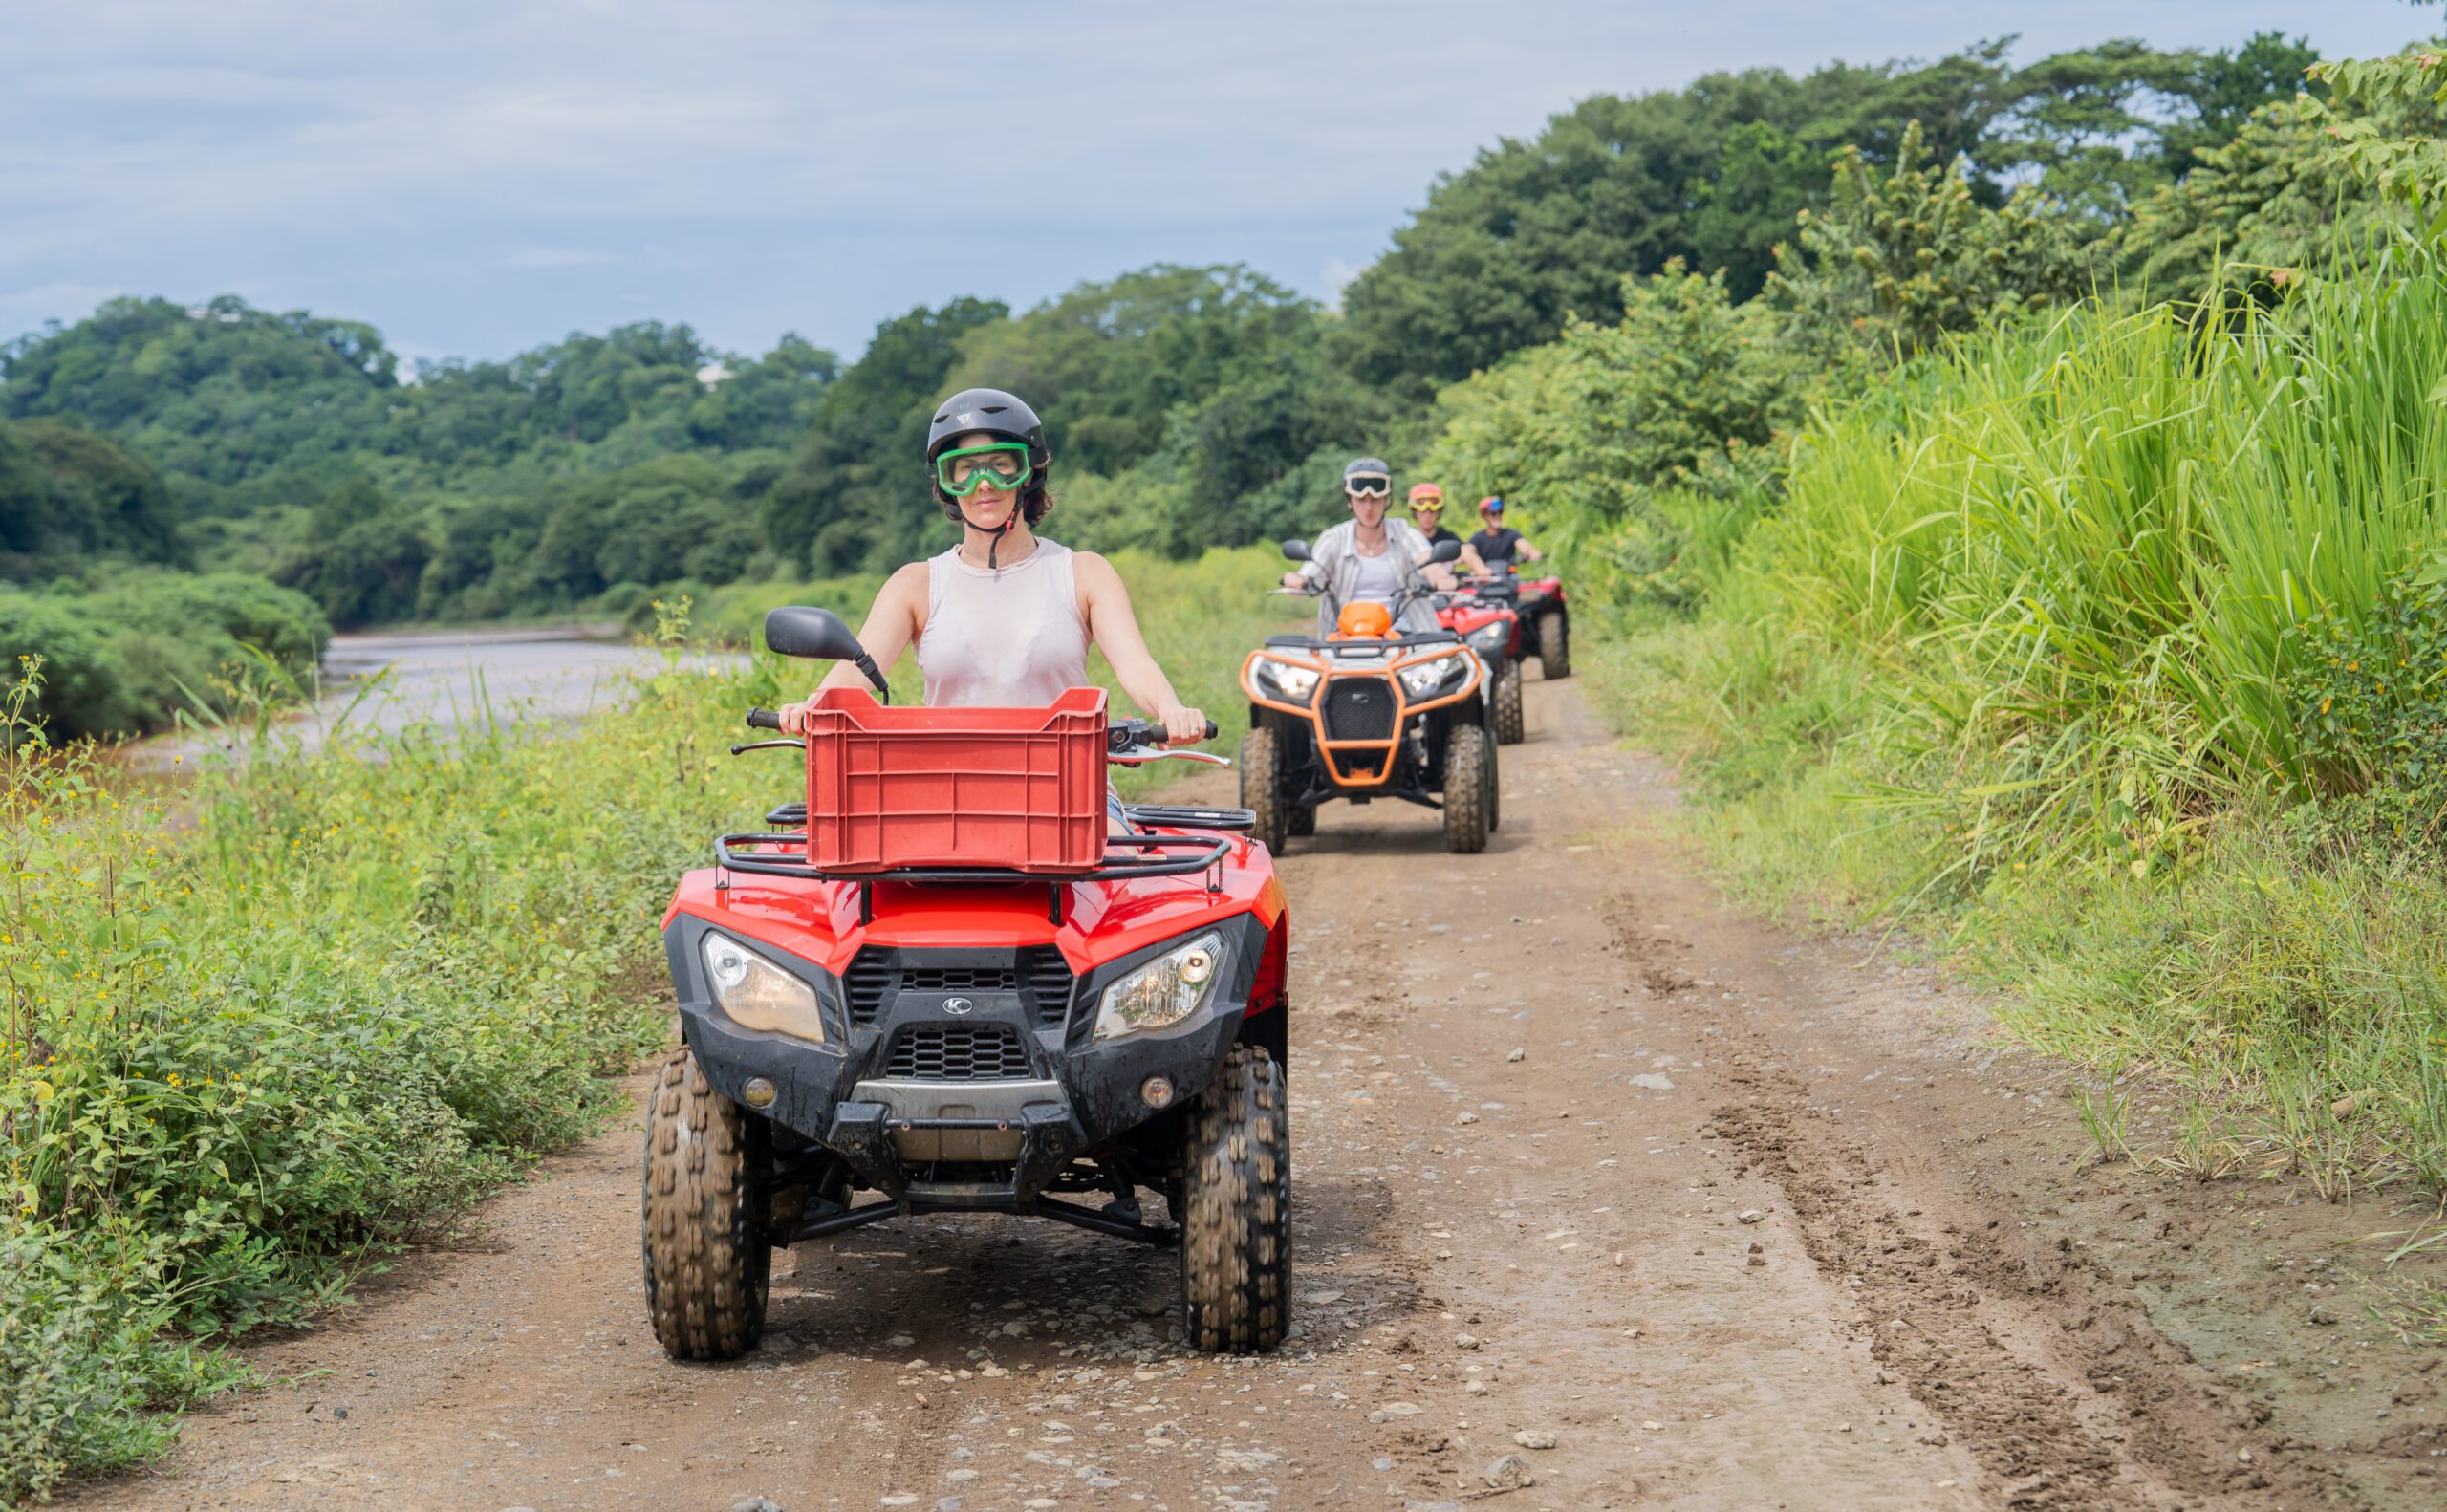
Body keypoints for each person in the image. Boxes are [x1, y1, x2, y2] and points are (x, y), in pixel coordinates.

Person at [777, 388, 1205, 743]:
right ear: (948, 485)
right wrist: (811, 704)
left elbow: (1135, 665)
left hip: (1071, 787)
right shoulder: (915, 585)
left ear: (1028, 473)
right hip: (948, 791)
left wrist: (1171, 709)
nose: (984, 484)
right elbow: (857, 671)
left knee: (1114, 849)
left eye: (1001, 465)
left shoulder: (1083, 573)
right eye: (964, 470)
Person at [1281, 457, 1456, 635]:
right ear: (1350, 501)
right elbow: (1307, 574)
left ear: (1386, 500)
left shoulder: (1405, 533)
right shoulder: (1334, 539)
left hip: (1404, 637)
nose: (1368, 507)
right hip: (1344, 638)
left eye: (1375, 500)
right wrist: (1297, 580)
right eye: (1361, 500)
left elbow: (1428, 561)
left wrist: (1441, 578)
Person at [1407, 483, 1485, 576]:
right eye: (1423, 511)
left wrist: (1482, 570)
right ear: (1414, 512)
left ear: (1439, 511)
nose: (1428, 516)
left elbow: (1466, 551)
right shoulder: (1409, 540)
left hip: (1447, 589)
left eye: (1432, 511)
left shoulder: (1448, 537)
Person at [1469, 495, 1544, 571]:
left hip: (1508, 578)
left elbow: (1526, 548)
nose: (1498, 516)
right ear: (1484, 516)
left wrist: (1532, 553)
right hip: (1487, 578)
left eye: (1500, 512)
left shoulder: (1511, 534)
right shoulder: (1478, 538)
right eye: (1493, 513)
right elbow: (1467, 552)